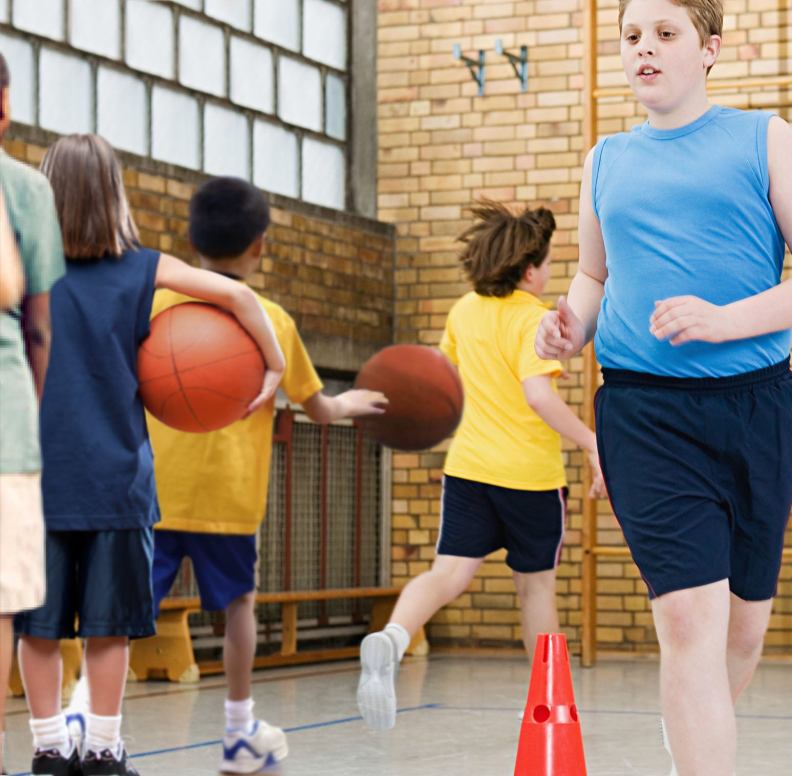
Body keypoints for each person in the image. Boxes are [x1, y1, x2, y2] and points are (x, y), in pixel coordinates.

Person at [535, 1, 792, 774]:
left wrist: (724, 320)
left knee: (741, 632)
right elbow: (593, 274)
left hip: (756, 408)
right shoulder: (604, 159)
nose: (645, 50)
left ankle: (691, 740)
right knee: (686, 623)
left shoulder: (763, 138)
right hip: (643, 414)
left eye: (665, 36)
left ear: (710, 50)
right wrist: (571, 324)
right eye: (632, 38)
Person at [14, 136, 285, 776]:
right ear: (116, 196)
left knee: (39, 629)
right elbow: (239, 298)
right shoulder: (143, 269)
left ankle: (50, 748)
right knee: (108, 629)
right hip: (117, 487)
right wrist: (272, 363)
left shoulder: (21, 265)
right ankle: (105, 749)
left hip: (37, 484)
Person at [145, 176, 388, 774]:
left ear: (190, 238)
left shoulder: (153, 307)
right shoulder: (271, 320)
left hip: (151, 494)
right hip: (228, 501)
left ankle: (83, 716)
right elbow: (320, 409)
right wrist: (351, 401)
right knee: (239, 610)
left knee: (118, 611)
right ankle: (237, 732)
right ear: (260, 245)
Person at [357, 200, 607, 731]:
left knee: (447, 573)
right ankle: (548, 707)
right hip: (530, 478)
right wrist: (590, 442)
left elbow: (446, 381)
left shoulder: (463, 311)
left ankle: (393, 638)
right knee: (535, 589)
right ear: (528, 270)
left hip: (467, 469)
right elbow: (538, 397)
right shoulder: (532, 319)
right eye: (547, 264)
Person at [0, 52, 66, 776]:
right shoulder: (21, 188)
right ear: (5, 104)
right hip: (5, 425)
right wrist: (29, 407)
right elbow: (38, 326)